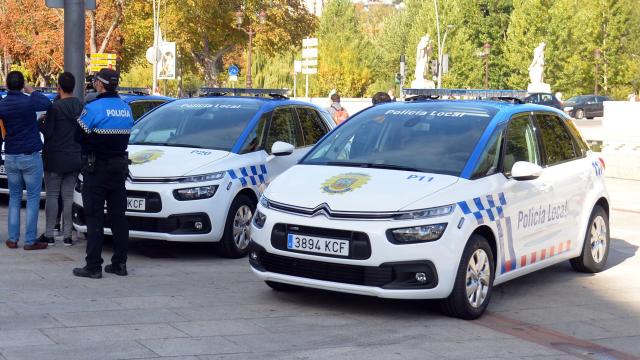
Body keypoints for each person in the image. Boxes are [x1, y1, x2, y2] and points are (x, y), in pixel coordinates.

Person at [73, 68, 133, 279]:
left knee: (95, 216)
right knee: (119, 217)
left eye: (95, 81)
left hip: (96, 169)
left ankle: (93, 266)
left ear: (100, 84)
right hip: (118, 169)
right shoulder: (126, 108)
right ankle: (120, 263)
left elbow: (78, 136)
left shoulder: (94, 108)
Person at [0, 71, 51, 250]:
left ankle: (13, 239)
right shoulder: (29, 101)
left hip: (11, 155)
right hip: (30, 155)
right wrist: (31, 90)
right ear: (22, 85)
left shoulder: (3, 104)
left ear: (7, 85)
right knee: (32, 198)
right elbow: (46, 103)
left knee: (14, 198)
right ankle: (30, 240)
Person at [38, 72, 83, 247]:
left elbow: (48, 133)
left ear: (58, 87)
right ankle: (67, 236)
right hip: (74, 157)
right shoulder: (80, 106)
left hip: (55, 158)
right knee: (68, 196)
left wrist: (40, 123)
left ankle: (49, 234)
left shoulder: (54, 108)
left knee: (52, 195)